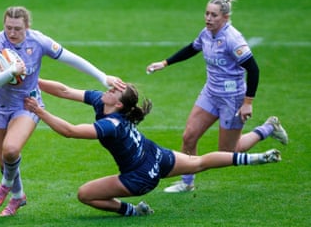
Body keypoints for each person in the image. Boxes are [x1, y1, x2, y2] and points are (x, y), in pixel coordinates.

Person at [23, 79, 281, 216]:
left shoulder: (112, 123)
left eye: (113, 91)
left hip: (139, 177)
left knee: (85, 194)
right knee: (200, 162)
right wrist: (31, 79)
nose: (108, 89)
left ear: (119, 104)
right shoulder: (102, 102)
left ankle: (132, 211)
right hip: (156, 155)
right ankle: (257, 155)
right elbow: (66, 90)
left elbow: (70, 132)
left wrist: (39, 110)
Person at [0, 6, 125, 217]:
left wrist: (103, 78)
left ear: (27, 27)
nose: (12, 33)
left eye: (17, 29)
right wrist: (11, 71)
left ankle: (5, 186)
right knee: (3, 161)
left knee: (10, 150)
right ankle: (18, 196)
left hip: (27, 104)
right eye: (8, 28)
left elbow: (72, 58)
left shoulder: (38, 41)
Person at [146, 0, 288, 193]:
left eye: (214, 15)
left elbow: (253, 69)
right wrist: (165, 63)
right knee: (189, 137)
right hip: (210, 94)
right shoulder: (206, 33)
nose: (208, 19)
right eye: (206, 14)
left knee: (229, 152)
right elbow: (192, 48)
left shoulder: (233, 39)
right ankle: (187, 182)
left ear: (225, 18)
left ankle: (268, 128)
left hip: (233, 99)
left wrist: (248, 102)